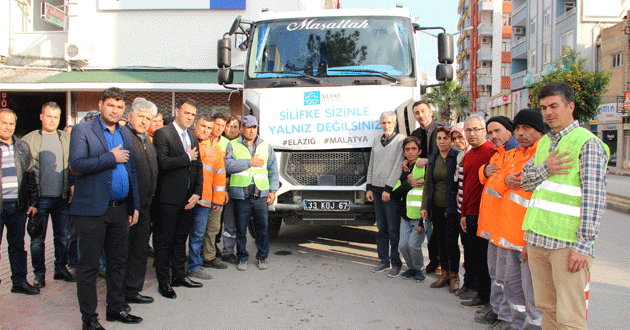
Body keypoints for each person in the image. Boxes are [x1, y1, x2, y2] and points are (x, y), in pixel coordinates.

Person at [521, 82, 609, 329]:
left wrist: (584, 245)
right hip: (539, 239)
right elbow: (526, 183)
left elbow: (595, 198)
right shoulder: (544, 143)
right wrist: (546, 169)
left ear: (570, 107)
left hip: (568, 245)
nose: (548, 112)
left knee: (570, 316)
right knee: (548, 308)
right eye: (544, 107)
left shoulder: (586, 143)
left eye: (554, 106)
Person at [69, 87, 142, 328]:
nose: (115, 110)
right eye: (111, 105)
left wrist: (135, 205)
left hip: (119, 209)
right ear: (101, 104)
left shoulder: (124, 132)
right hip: (91, 210)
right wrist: (110, 158)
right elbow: (77, 165)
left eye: (120, 107)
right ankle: (89, 319)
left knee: (118, 262)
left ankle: (116, 308)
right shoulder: (83, 130)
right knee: (89, 267)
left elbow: (130, 170)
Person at [485, 108, 546, 330]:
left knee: (532, 297)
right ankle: (514, 324)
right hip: (508, 235)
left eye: (526, 128)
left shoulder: (542, 156)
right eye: (518, 128)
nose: (520, 133)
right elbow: (498, 184)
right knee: (512, 289)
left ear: (539, 130)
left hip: (528, 239)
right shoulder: (515, 155)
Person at [152, 99, 204, 299]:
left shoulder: (192, 138)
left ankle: (179, 277)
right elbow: (162, 163)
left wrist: (197, 193)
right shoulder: (162, 134)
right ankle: (164, 281)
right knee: (164, 241)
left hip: (188, 199)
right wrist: (186, 157)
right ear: (176, 111)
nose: (190, 117)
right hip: (168, 199)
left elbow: (198, 167)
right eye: (186, 113)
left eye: (192, 115)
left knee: (180, 239)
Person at [22, 102, 75, 288]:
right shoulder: (28, 140)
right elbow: (25, 173)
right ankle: (39, 274)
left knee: (62, 237)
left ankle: (60, 269)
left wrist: (71, 190)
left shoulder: (67, 138)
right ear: (41, 116)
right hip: (39, 200)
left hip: (62, 198)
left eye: (56, 117)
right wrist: (30, 199)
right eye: (49, 116)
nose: (52, 120)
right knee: (37, 239)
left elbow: (72, 167)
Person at [474, 116, 519, 325]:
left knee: (506, 277)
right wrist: (484, 170)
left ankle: (506, 317)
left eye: (497, 131)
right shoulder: (497, 155)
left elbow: (506, 183)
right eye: (490, 132)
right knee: (496, 273)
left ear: (509, 132)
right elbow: (486, 179)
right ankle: (497, 309)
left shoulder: (515, 155)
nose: (493, 136)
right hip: (493, 227)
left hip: (506, 228)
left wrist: (489, 173)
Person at [224, 115, 279, 271]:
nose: (251, 130)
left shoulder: (265, 146)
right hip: (242, 195)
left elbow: (273, 169)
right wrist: (249, 163)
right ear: (242, 129)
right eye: (248, 127)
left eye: (254, 127)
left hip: (260, 195)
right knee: (241, 229)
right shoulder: (233, 145)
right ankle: (242, 258)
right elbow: (228, 165)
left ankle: (262, 257)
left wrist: (273, 190)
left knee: (262, 229)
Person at [122, 98, 158, 305]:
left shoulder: (146, 140)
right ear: (130, 116)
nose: (144, 121)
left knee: (139, 251)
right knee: (125, 253)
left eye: (148, 118)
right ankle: (121, 294)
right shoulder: (125, 137)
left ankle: (133, 290)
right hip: (129, 208)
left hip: (145, 207)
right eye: (141, 116)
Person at [0, 108, 39, 295]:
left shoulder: (22, 146)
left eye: (11, 123)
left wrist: (33, 202)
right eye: (4, 122)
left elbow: (30, 175)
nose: (8, 127)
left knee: (17, 245)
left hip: (17, 206)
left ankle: (19, 282)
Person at [420, 126, 461, 293]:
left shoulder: (457, 156)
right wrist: (424, 207)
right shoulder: (433, 159)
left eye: (445, 138)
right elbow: (428, 185)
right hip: (436, 207)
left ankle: (454, 276)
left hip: (452, 208)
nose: (442, 141)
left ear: (451, 140)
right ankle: (444, 274)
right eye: (439, 139)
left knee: (452, 242)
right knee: (440, 242)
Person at [459, 115, 494, 308]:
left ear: (484, 131)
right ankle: (478, 292)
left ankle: (486, 296)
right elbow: (465, 186)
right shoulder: (468, 155)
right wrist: (463, 213)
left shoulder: (491, 152)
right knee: (473, 255)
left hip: (486, 214)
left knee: (484, 258)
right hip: (470, 213)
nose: (472, 134)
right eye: (468, 130)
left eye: (476, 129)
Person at [366, 110, 405, 277]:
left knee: (393, 229)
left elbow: (398, 166)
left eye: (389, 122)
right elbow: (372, 164)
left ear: (394, 123)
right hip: (375, 190)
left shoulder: (400, 140)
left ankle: (396, 263)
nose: (386, 126)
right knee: (381, 228)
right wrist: (369, 187)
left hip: (389, 192)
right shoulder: (376, 140)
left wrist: (388, 189)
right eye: (383, 123)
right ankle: (383, 260)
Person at [188, 114, 226, 279]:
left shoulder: (215, 148)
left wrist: (217, 199)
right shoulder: (186, 140)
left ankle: (194, 266)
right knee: (178, 234)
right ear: (195, 124)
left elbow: (219, 176)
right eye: (203, 126)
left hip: (204, 200)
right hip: (185, 198)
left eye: (209, 128)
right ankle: (172, 264)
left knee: (197, 235)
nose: (205, 130)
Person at [410, 100, 440, 273]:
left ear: (431, 111)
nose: (420, 115)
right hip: (422, 185)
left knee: (437, 227)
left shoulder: (441, 131)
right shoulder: (415, 133)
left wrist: (428, 160)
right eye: (417, 112)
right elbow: (411, 151)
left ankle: (442, 262)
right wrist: (407, 162)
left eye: (423, 111)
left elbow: (445, 153)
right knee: (427, 223)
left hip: (438, 183)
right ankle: (434, 260)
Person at [391, 136, 426, 282]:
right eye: (407, 149)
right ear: (404, 152)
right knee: (403, 245)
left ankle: (419, 269)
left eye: (414, 149)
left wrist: (422, 222)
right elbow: (395, 192)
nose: (411, 152)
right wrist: (408, 183)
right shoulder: (403, 169)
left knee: (413, 245)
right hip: (405, 215)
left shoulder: (424, 166)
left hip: (419, 216)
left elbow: (427, 192)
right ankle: (411, 268)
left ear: (420, 151)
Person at [201, 111, 230, 269]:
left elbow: (220, 172)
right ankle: (201, 257)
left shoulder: (221, 144)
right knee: (200, 229)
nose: (219, 128)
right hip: (201, 194)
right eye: (217, 124)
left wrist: (221, 193)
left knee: (213, 228)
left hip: (215, 193)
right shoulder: (202, 142)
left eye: (222, 125)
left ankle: (208, 256)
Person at [220, 114, 242, 264]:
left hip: (236, 188)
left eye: (235, 126)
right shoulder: (218, 141)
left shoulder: (241, 144)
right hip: (218, 188)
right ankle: (211, 251)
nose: (232, 129)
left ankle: (228, 252)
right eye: (229, 126)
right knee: (214, 225)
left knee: (231, 223)